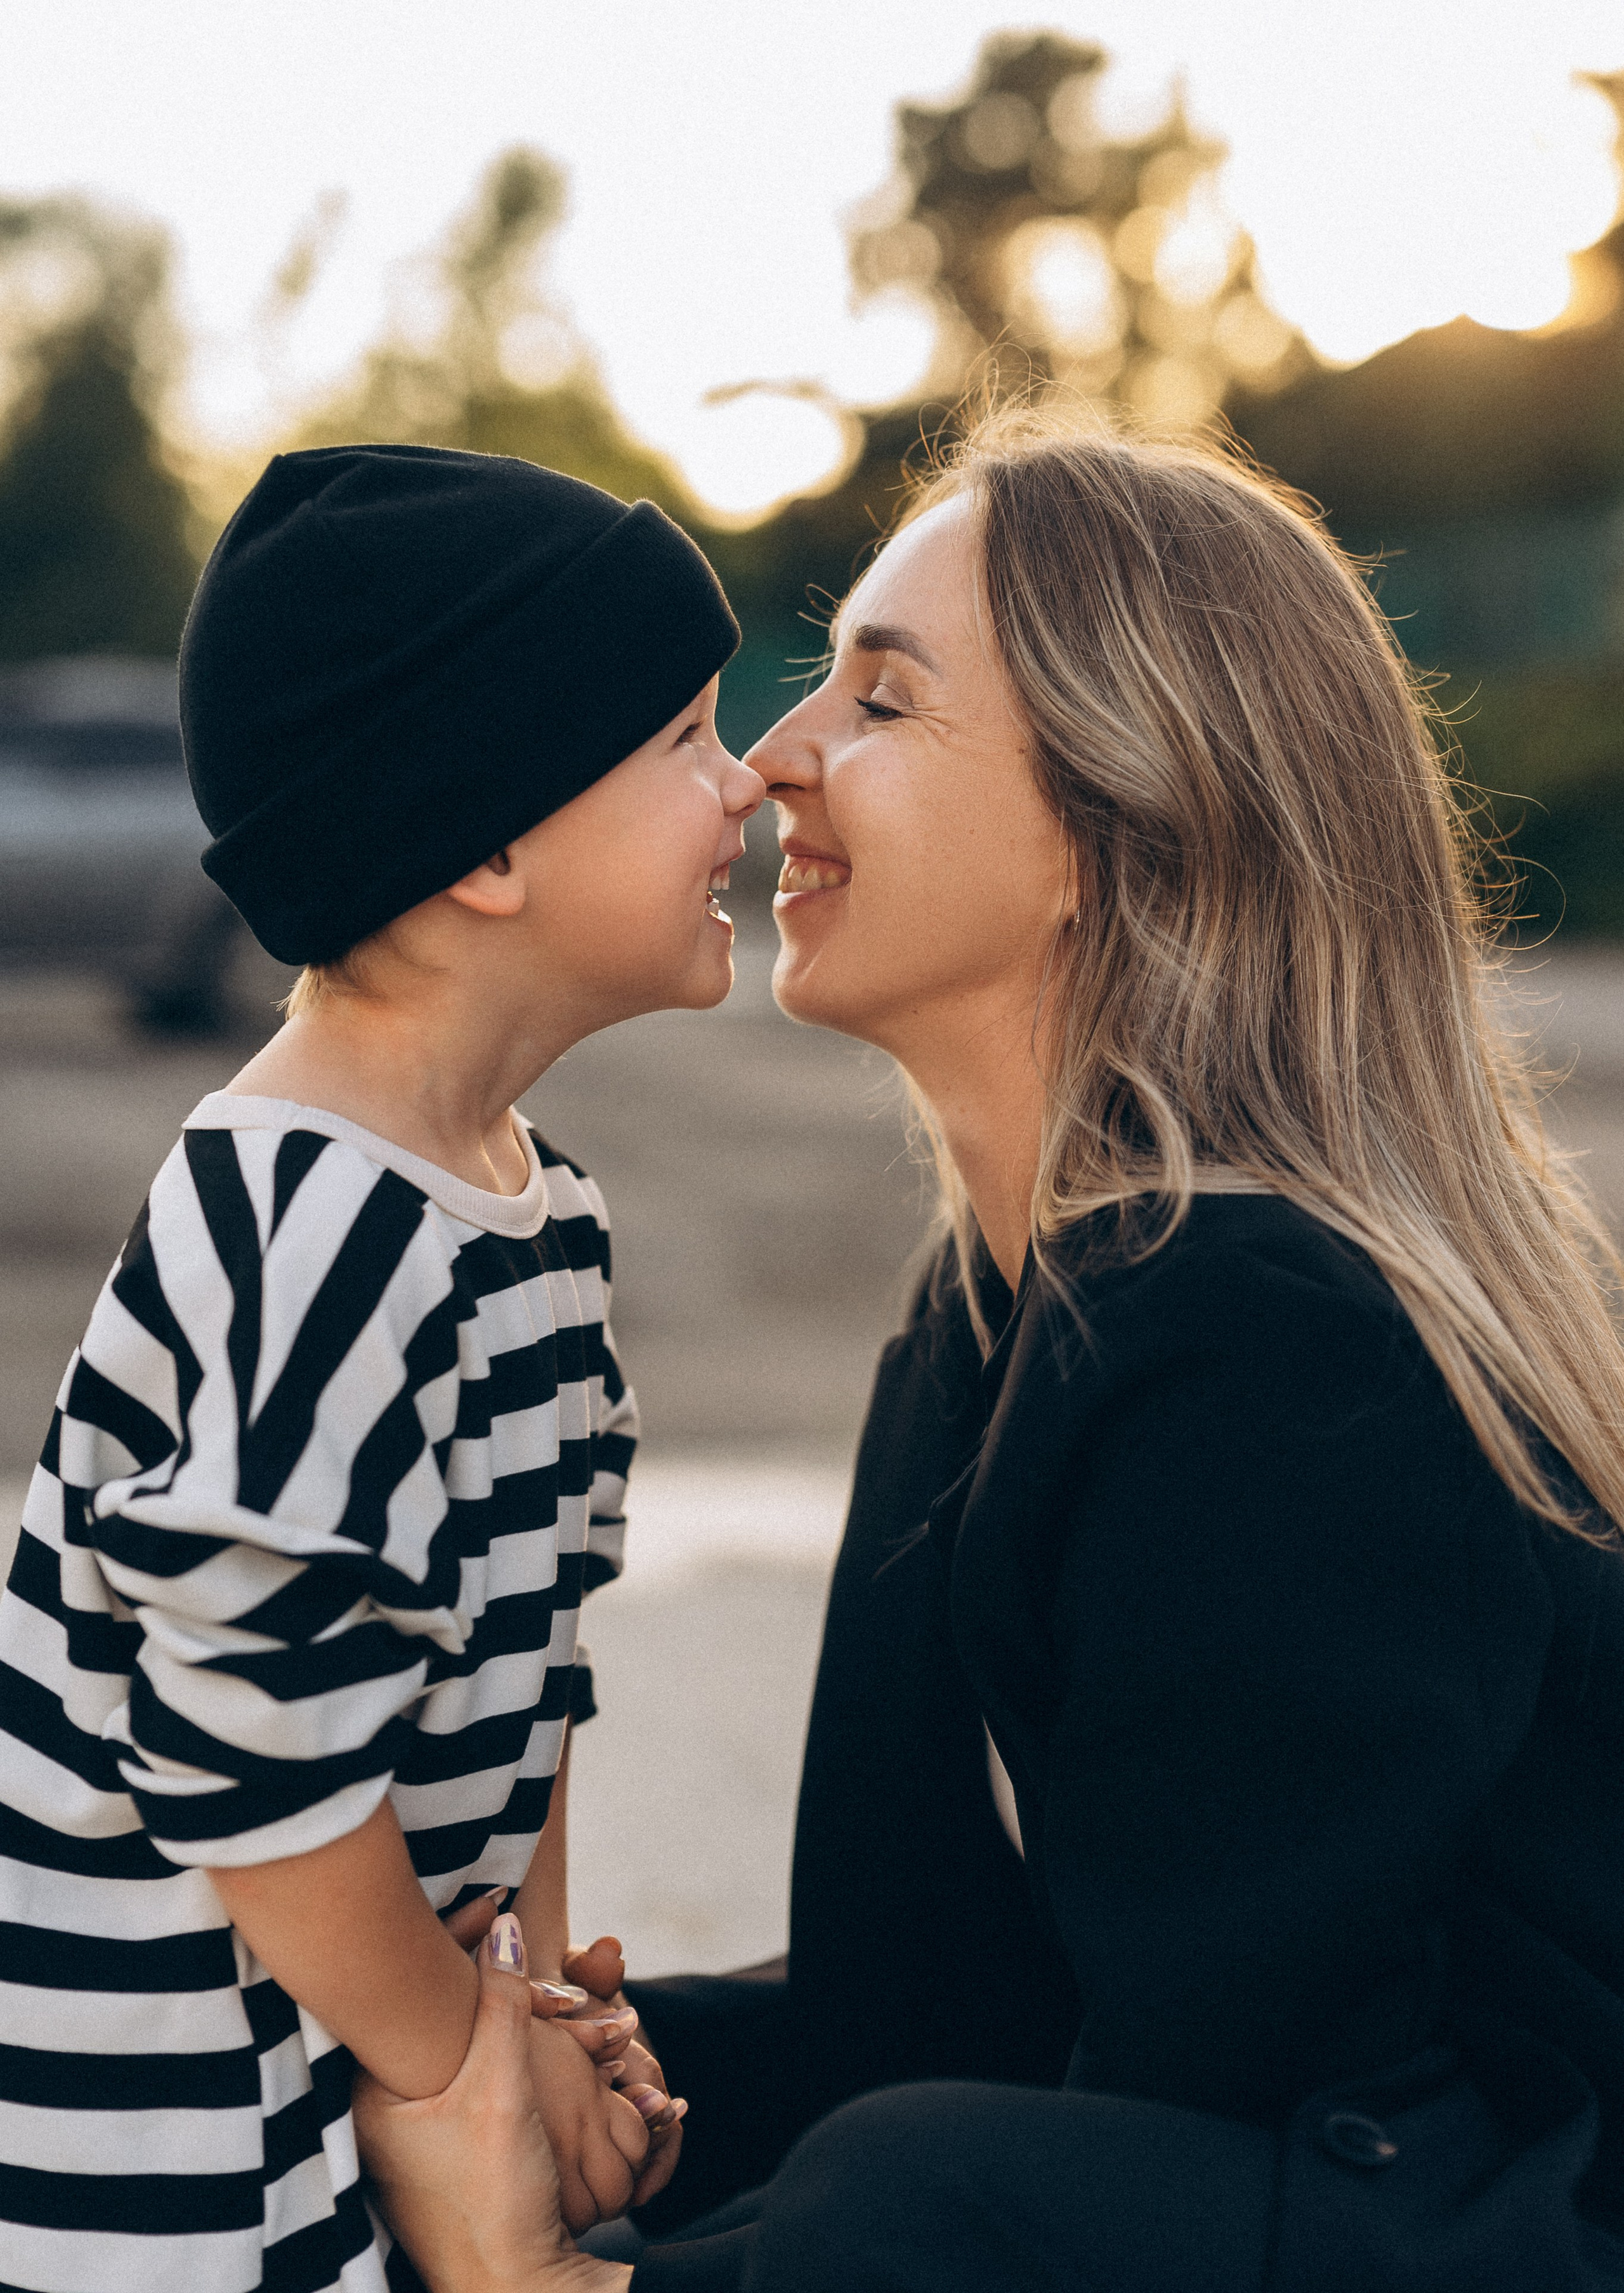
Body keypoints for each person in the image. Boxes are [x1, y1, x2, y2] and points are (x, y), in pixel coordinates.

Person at [369, 417, 1624, 2291]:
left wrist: (569, 2277)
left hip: (1503, 2216)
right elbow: (931, 1993)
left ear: (1119, 826)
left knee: (905, 2190)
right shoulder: (989, 1316)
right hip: (1287, 2177)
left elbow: (1189, 2119)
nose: (777, 758)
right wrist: (590, 2080)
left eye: (880, 700)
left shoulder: (1278, 1346)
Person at [0, 445, 760, 2293]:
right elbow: (245, 1751)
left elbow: (535, 1665)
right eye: (680, 739)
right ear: (484, 844)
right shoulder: (309, 1227)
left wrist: (544, 2018)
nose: (744, 786)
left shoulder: (534, 1215)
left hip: (358, 2060)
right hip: (167, 2168)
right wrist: (462, 2077)